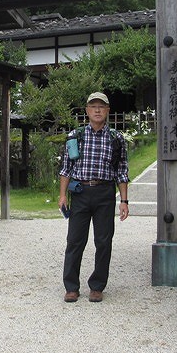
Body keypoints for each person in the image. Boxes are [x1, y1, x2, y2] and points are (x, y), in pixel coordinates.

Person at [58, 91, 129, 303]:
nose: (97, 110)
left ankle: (97, 286)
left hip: (105, 193)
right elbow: (66, 168)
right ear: (87, 111)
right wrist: (62, 196)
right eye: (93, 106)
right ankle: (71, 287)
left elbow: (122, 171)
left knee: (104, 241)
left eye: (101, 106)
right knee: (74, 241)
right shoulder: (75, 136)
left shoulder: (116, 138)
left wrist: (124, 201)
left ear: (107, 110)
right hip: (80, 192)